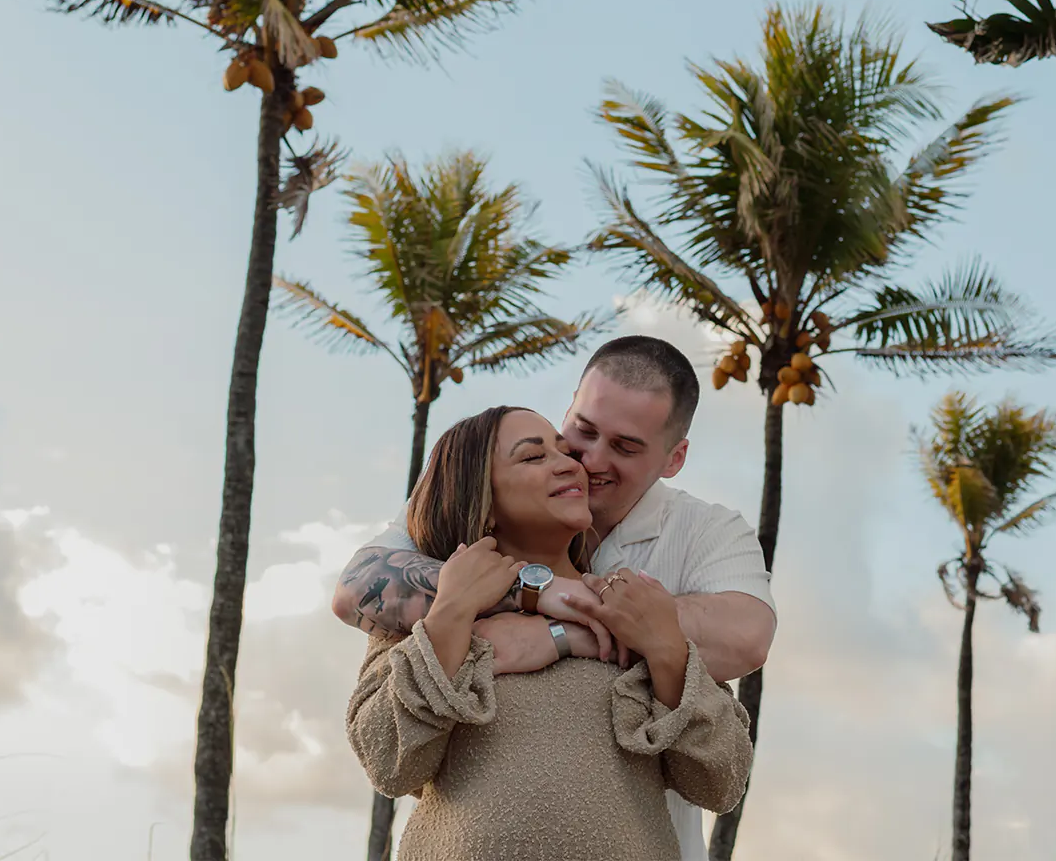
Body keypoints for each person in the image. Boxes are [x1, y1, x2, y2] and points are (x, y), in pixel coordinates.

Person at [332, 336, 776, 860]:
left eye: (626, 446)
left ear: (673, 458)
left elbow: (723, 767)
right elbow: (357, 595)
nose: (581, 462)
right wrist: (523, 597)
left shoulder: (697, 543)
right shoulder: (440, 585)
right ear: (483, 497)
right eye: (576, 436)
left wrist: (574, 630)